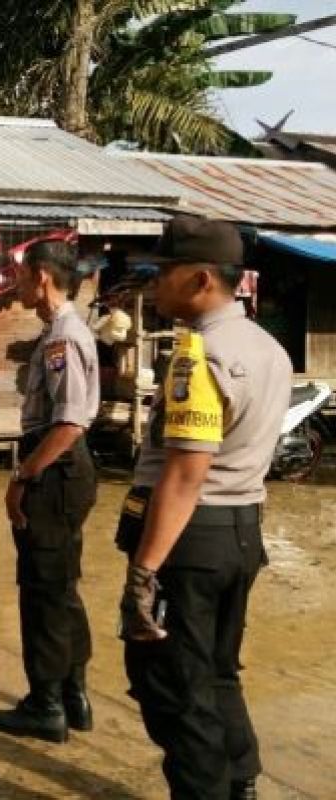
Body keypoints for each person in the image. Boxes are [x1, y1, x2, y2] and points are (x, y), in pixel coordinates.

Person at [115, 216, 291, 800]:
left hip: (189, 542)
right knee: (217, 670)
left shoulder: (199, 356)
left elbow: (186, 474)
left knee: (173, 686)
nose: (153, 284)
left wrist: (143, 575)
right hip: (242, 532)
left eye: (163, 273)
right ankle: (240, 780)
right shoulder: (269, 349)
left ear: (201, 280)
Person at [0, 240, 100, 744]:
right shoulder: (59, 332)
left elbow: (69, 423)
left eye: (19, 275)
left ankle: (46, 704)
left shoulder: (63, 338)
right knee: (61, 585)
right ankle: (73, 695)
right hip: (61, 468)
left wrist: (22, 476)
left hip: (55, 467)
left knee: (43, 592)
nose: (15, 285)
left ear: (42, 278)